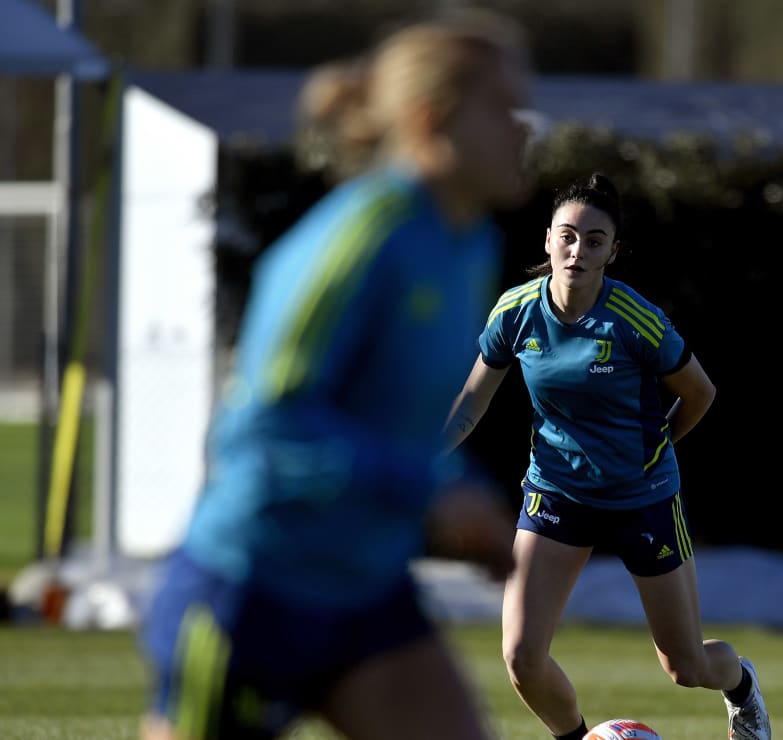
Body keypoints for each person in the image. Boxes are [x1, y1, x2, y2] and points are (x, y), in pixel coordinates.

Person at [136, 11, 533, 739]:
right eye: (503, 109)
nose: (524, 128)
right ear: (430, 119)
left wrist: (466, 498)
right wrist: (427, 495)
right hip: (253, 592)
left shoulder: (468, 245)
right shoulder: (363, 233)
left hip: (367, 594)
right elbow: (266, 424)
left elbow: (398, 427)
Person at [442, 172, 772, 740]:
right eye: (567, 236)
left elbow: (700, 393)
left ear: (611, 252)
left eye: (594, 240)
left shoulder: (633, 318)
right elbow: (469, 406)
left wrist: (656, 448)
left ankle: (741, 683)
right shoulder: (515, 312)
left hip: (642, 499)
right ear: (547, 239)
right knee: (521, 657)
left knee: (685, 666)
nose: (577, 250)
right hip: (556, 495)